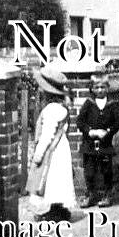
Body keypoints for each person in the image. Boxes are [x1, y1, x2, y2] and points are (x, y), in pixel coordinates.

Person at [29, 64, 78, 221]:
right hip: (61, 147)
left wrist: (38, 154)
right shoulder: (61, 107)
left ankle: (55, 212)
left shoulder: (51, 110)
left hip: (52, 149)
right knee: (59, 178)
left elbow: (47, 135)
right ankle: (59, 209)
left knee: (51, 178)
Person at [76, 74, 119, 208]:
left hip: (105, 145)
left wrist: (107, 132)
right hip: (90, 145)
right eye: (97, 87)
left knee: (106, 171)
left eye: (103, 87)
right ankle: (91, 195)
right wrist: (90, 131)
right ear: (92, 89)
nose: (100, 90)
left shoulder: (111, 105)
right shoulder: (89, 104)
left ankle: (107, 195)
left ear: (107, 88)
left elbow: (117, 124)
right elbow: (80, 121)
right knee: (89, 172)